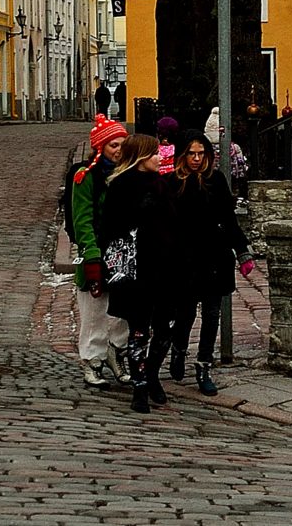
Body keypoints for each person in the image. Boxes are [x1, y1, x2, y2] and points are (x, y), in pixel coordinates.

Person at [99, 134, 178, 411]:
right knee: (139, 330)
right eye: (154, 153)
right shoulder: (121, 186)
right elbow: (109, 230)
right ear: (141, 156)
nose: (159, 157)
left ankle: (152, 374)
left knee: (166, 327)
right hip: (136, 271)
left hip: (164, 267)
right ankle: (140, 385)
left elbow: (174, 224)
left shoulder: (163, 185)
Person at [162, 136, 245, 394]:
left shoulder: (216, 180)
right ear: (183, 155)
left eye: (201, 153)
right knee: (185, 312)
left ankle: (204, 364)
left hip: (214, 257)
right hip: (185, 259)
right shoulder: (173, 182)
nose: (197, 159)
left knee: (211, 314)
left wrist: (242, 251)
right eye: (191, 154)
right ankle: (179, 349)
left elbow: (228, 218)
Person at [69, 116, 135, 388]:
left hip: (122, 253)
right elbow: (82, 220)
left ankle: (116, 352)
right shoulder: (85, 177)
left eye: (121, 145)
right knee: (94, 313)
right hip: (96, 250)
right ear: (100, 147)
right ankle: (92, 360)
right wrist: (91, 255)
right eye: (113, 145)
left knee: (122, 312)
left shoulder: (128, 174)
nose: (118, 150)